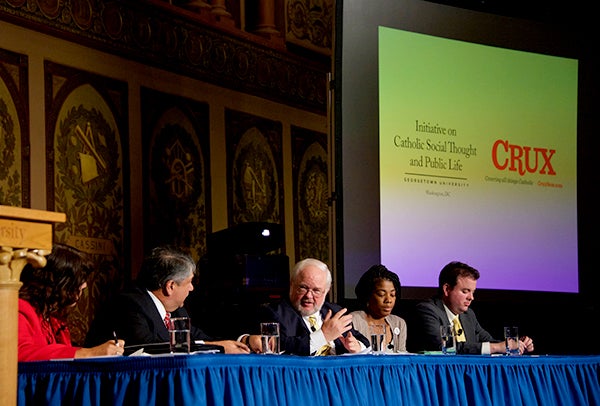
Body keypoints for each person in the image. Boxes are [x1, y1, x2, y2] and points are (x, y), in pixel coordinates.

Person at [85, 245, 250, 354]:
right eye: (189, 282)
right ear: (170, 286)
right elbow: (152, 347)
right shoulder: (128, 305)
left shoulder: (177, 309)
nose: (192, 288)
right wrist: (218, 348)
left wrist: (244, 340)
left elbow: (200, 337)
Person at [240, 258, 370, 355]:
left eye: (316, 290)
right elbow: (281, 347)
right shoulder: (274, 313)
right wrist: (323, 336)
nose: (309, 296)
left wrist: (356, 346)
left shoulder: (334, 311)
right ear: (292, 285)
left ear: (326, 291)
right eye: (303, 288)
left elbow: (363, 341)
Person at [18, 243, 124, 361]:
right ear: (59, 282)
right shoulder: (20, 308)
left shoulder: (54, 316)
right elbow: (20, 352)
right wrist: (89, 353)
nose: (84, 285)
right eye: (79, 279)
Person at [409, 261, 534, 355]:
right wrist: (497, 347)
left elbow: (490, 341)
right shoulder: (427, 310)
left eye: (473, 292)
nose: (471, 298)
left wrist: (516, 344)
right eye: (465, 291)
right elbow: (443, 348)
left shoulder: (468, 315)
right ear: (447, 289)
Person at [350, 264, 407, 353]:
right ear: (368, 295)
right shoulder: (354, 320)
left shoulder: (398, 323)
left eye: (392, 295)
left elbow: (402, 357)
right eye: (381, 294)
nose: (389, 300)